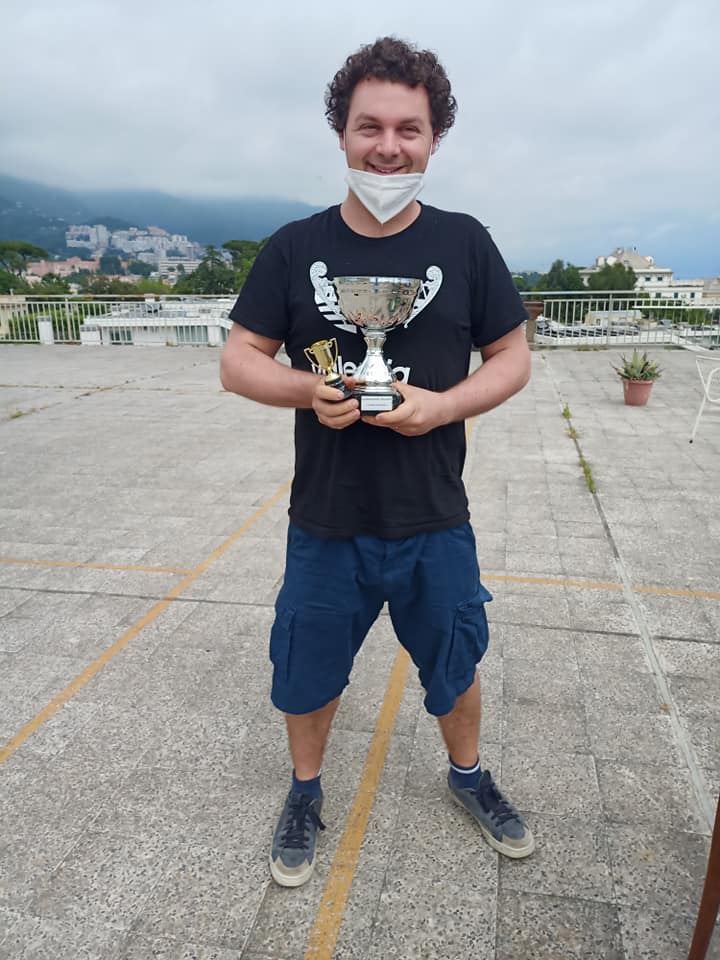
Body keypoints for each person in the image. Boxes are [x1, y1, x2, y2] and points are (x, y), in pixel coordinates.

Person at [220, 36, 534, 888]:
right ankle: (305, 790)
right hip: (326, 520)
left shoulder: (465, 244)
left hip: (433, 515)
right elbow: (237, 360)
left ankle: (467, 775)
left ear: (433, 139)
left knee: (455, 659)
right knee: (306, 670)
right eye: (371, 127)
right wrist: (306, 390)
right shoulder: (295, 247)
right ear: (342, 133)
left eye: (408, 129)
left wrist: (442, 406)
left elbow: (512, 357)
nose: (388, 147)